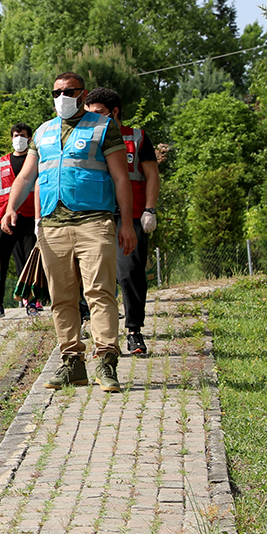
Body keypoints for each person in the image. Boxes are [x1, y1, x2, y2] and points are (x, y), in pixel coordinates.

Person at [1, 73, 137, 392]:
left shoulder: (103, 127)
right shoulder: (43, 132)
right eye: (57, 92)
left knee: (99, 293)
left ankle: (106, 361)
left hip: (94, 222)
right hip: (52, 227)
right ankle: (72, 363)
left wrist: (127, 223)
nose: (62, 96)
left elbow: (121, 178)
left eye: (69, 91)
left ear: (82, 93)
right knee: (62, 298)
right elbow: (26, 177)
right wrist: (10, 207)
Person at [85, 88, 159, 355]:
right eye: (89, 114)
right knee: (95, 277)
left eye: (99, 113)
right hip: (97, 215)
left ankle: (134, 331)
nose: (93, 119)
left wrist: (150, 210)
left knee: (129, 273)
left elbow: (151, 175)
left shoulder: (137, 138)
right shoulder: (89, 138)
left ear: (114, 112)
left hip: (133, 215)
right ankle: (100, 335)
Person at [0, 123, 39, 320]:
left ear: (30, 138)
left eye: (24, 135)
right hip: (4, 219)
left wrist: (38, 219)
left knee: (30, 263)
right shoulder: (0, 162)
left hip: (27, 216)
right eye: (17, 135)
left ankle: (32, 303)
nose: (20, 139)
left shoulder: (35, 160)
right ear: (11, 138)